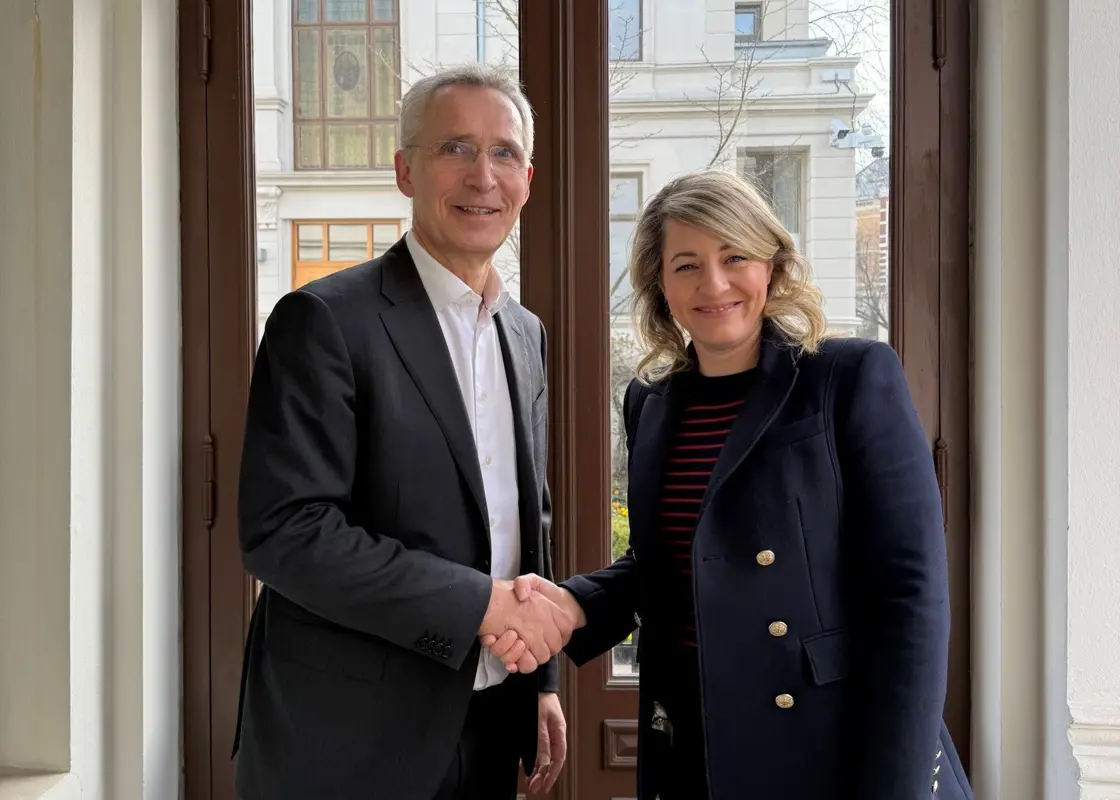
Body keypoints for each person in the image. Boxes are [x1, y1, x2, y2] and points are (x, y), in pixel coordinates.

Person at [485, 169, 974, 799]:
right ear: (660, 285)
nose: (713, 284)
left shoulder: (846, 378)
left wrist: (896, 785)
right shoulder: (651, 404)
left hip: (830, 747)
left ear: (771, 265)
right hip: (693, 740)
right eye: (686, 264)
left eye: (734, 256)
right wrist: (570, 604)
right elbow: (663, 563)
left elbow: (913, 595)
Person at [231, 63, 577, 800]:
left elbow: (526, 518)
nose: (483, 175)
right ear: (405, 171)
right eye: (455, 148)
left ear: (528, 177)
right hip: (348, 734)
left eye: (504, 152)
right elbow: (286, 531)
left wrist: (541, 677)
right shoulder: (324, 320)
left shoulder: (525, 333)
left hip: (491, 715)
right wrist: (480, 605)